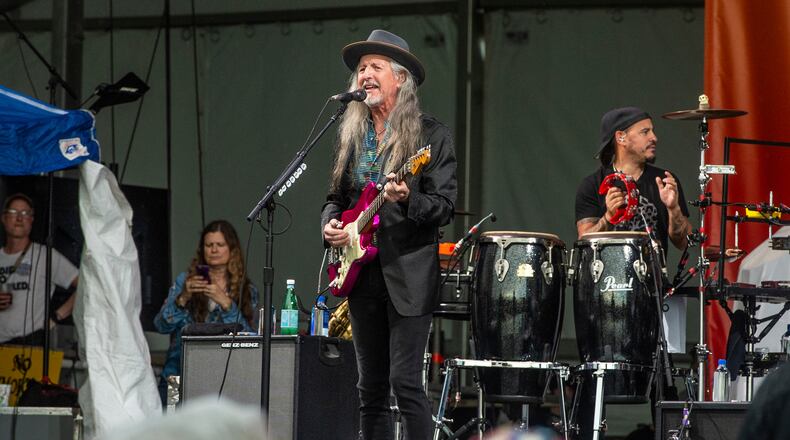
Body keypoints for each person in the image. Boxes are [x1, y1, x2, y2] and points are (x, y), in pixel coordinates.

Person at [321, 29, 457, 439]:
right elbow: (336, 196)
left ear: (400, 79)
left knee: (406, 384)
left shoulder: (431, 136)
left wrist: (405, 199)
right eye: (361, 69)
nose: (365, 75)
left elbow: (445, 207)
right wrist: (331, 223)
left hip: (408, 274)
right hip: (362, 273)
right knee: (369, 388)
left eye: (375, 67)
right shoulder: (351, 135)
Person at [154, 220, 258, 404]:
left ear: (231, 249)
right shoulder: (185, 281)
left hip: (223, 378)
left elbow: (250, 338)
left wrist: (226, 303)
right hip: (179, 374)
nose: (214, 250)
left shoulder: (246, 289)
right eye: (209, 245)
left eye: (220, 245)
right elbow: (161, 325)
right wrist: (183, 297)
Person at [575, 106, 691, 250]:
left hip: (653, 272)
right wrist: (608, 218)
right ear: (621, 137)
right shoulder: (592, 185)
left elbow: (684, 243)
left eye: (652, 131)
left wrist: (674, 209)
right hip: (608, 272)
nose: (654, 137)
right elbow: (583, 243)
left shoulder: (665, 181)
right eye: (645, 132)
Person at [0, 193, 79, 346]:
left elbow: (85, 286)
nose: (19, 218)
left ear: (31, 220)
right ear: (3, 218)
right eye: (13, 212)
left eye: (25, 213)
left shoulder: (45, 255)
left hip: (30, 344)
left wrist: (57, 316)